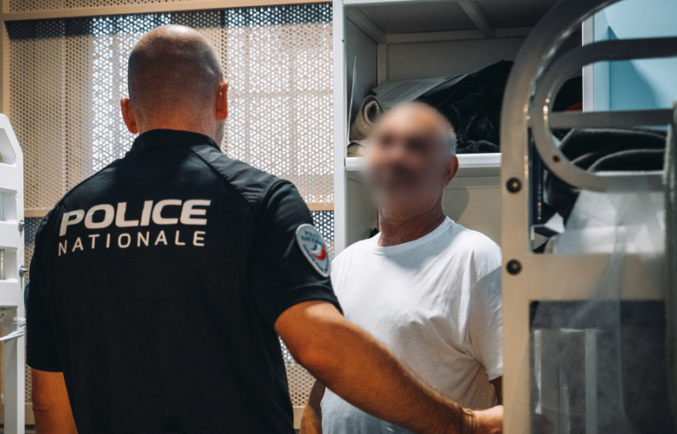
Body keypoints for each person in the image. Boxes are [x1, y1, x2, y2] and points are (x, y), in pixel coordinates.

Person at [26, 25, 502, 434]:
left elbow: (50, 403)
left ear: (128, 113)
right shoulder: (257, 201)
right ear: (222, 98)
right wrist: (460, 423)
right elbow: (320, 345)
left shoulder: (60, 223)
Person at [301, 103, 504, 434]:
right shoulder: (344, 264)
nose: (395, 158)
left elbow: (519, 405)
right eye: (385, 145)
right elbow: (320, 397)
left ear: (447, 171)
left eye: (416, 147)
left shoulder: (476, 259)